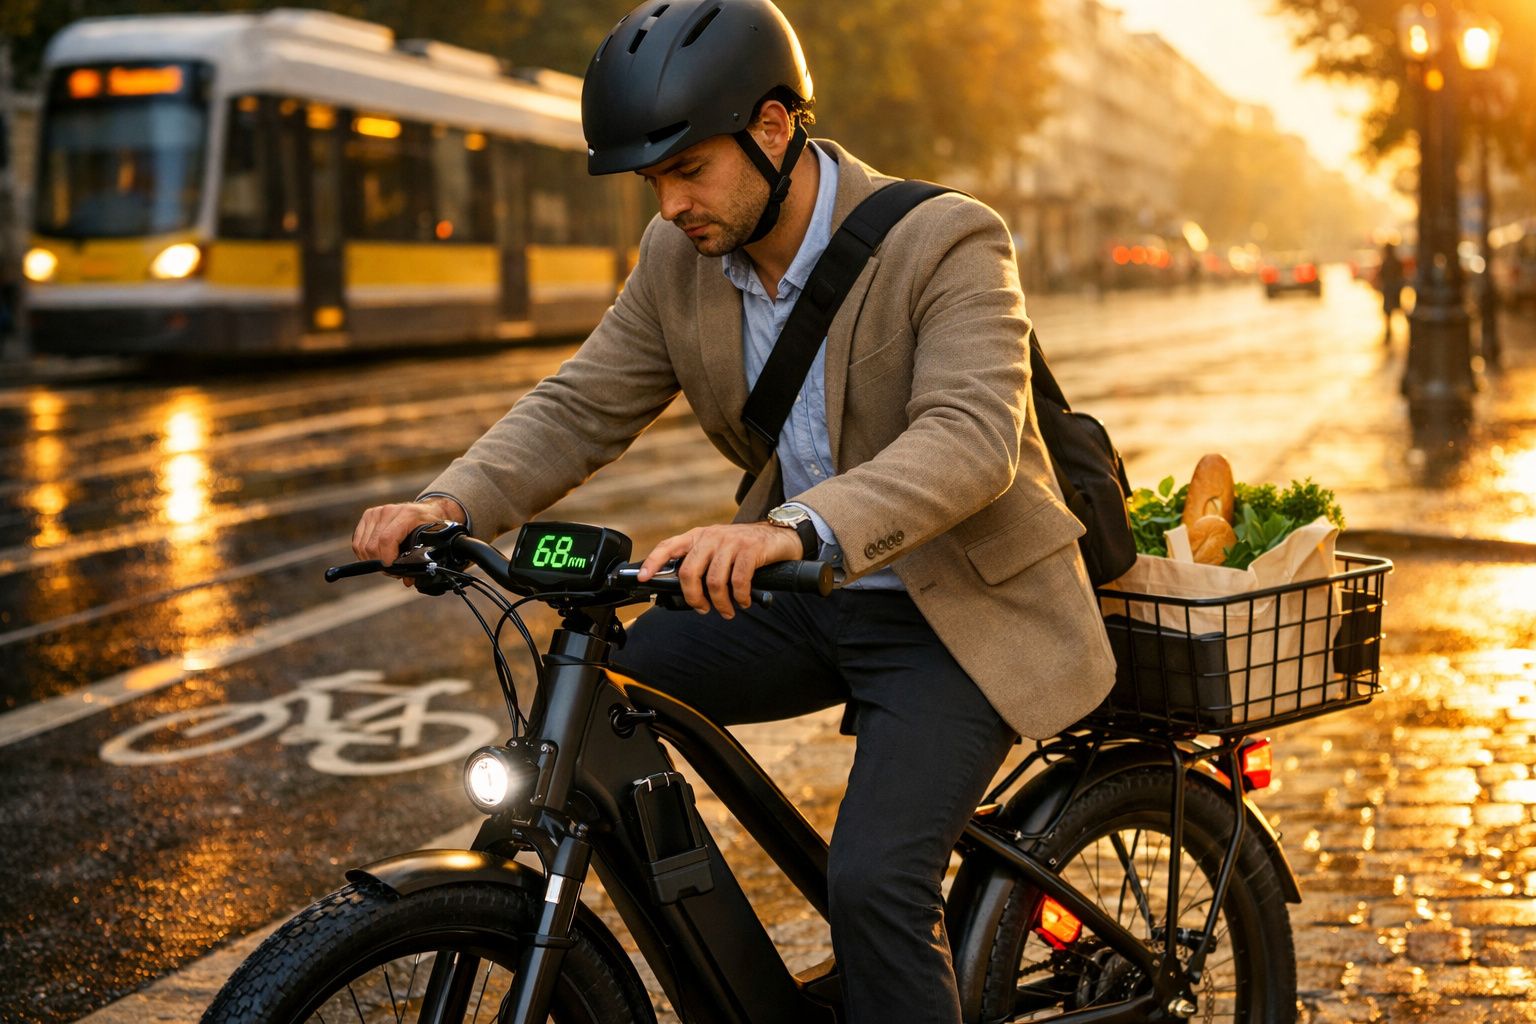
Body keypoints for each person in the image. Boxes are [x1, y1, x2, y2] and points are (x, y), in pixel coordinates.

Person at [352, 1, 1115, 1019]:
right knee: (598, 705)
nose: (670, 204)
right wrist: (450, 500)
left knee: (874, 884)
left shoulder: (947, 239)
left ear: (772, 128)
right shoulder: (680, 259)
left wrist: (784, 528)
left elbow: (969, 438)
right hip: (807, 597)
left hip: (957, 613)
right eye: (651, 181)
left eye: (688, 170)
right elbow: (582, 403)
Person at [1379, 242, 1405, 345]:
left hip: (1390, 290)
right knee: (1394, 310)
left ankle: (1389, 333)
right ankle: (1389, 333)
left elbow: (1382, 275)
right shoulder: (1395, 262)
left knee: (1389, 312)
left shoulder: (1386, 262)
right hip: (1393, 290)